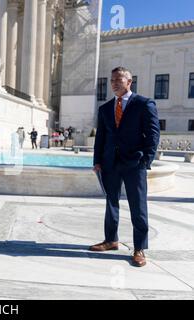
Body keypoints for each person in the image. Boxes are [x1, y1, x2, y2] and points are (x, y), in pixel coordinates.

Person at [91, 67, 160, 267]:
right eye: (112, 80)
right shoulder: (105, 109)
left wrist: (146, 160)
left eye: (118, 79)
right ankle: (111, 240)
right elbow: (101, 138)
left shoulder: (144, 104)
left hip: (134, 163)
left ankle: (139, 248)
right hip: (110, 163)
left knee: (138, 206)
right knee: (111, 203)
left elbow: (153, 135)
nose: (114, 83)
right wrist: (97, 161)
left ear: (129, 82)